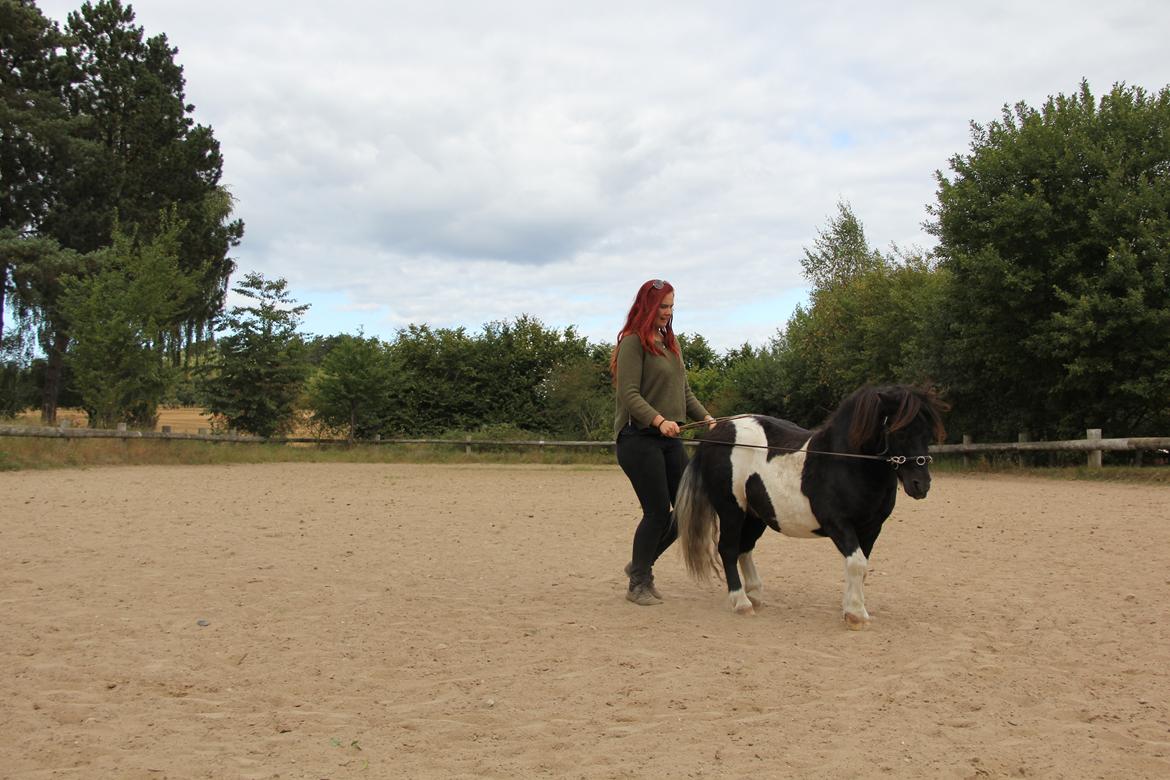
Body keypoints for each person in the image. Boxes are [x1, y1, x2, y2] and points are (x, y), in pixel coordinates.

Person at [611, 279, 715, 606]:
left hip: (669, 438)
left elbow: (684, 393)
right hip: (637, 438)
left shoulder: (670, 343)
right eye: (662, 307)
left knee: (689, 510)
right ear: (647, 307)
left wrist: (710, 420)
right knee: (657, 512)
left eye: (671, 307)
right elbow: (629, 394)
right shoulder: (632, 342)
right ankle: (639, 582)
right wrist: (658, 420)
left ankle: (640, 565)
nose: (667, 313)